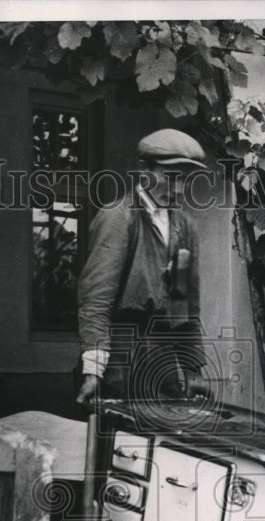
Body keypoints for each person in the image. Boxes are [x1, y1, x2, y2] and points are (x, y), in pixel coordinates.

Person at [75, 128, 211, 404]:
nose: (177, 189)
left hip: (163, 364)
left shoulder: (185, 227)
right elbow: (96, 302)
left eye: (185, 180)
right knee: (122, 443)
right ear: (143, 171)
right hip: (118, 363)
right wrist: (93, 372)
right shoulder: (118, 218)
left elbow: (182, 305)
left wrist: (192, 368)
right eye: (170, 177)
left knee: (168, 442)